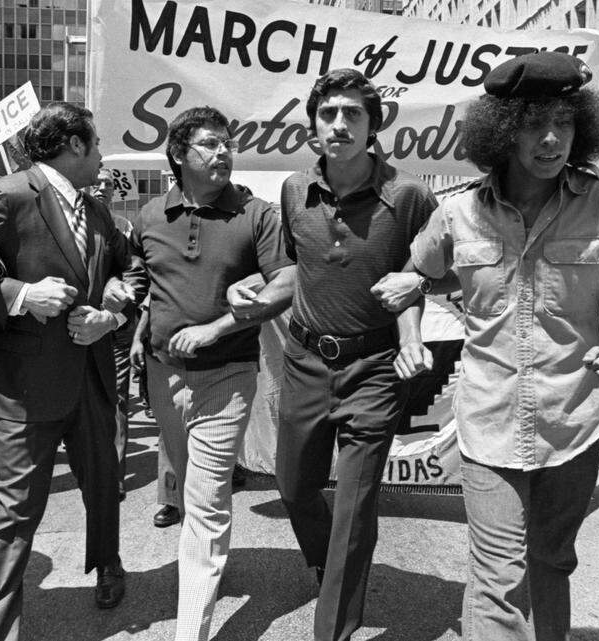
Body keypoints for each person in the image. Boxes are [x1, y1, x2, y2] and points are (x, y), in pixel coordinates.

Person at [390, 52, 599, 641]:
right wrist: (409, 336)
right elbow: (412, 282)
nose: (551, 139)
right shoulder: (458, 212)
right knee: (498, 576)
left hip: (577, 419)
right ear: (502, 132)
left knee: (552, 560)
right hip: (489, 420)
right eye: (534, 124)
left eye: (564, 122)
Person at [0, 101, 143, 641]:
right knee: (12, 516)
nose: (101, 156)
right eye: (97, 144)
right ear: (75, 144)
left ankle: (109, 563)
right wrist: (23, 295)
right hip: (25, 391)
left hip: (94, 381)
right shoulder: (6, 195)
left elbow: (132, 269)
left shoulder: (97, 211)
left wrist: (113, 312)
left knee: (103, 487)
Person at [273, 68, 437, 641]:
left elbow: (426, 274)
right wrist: (255, 295)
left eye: (352, 114)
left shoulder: (410, 195)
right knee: (294, 487)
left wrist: (412, 333)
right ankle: (330, 565)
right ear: (313, 125)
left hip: (374, 369)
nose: (339, 124)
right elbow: (295, 266)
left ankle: (334, 627)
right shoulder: (294, 191)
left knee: (354, 504)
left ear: (373, 125)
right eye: (328, 114)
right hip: (304, 362)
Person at [130, 105, 295, 640]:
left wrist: (219, 327)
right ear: (179, 154)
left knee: (206, 503)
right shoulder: (149, 216)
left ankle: (190, 630)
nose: (223, 151)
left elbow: (287, 281)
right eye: (209, 143)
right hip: (162, 377)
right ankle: (206, 571)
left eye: (227, 143)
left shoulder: (257, 214)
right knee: (187, 488)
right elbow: (140, 280)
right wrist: (124, 306)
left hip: (228, 377)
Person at [91, 168, 148, 502]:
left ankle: (113, 475)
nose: (101, 188)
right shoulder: (63, 221)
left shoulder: (123, 227)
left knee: (116, 400)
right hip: (74, 327)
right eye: (96, 182)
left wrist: (121, 304)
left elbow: (135, 272)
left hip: (116, 327)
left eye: (108, 184)